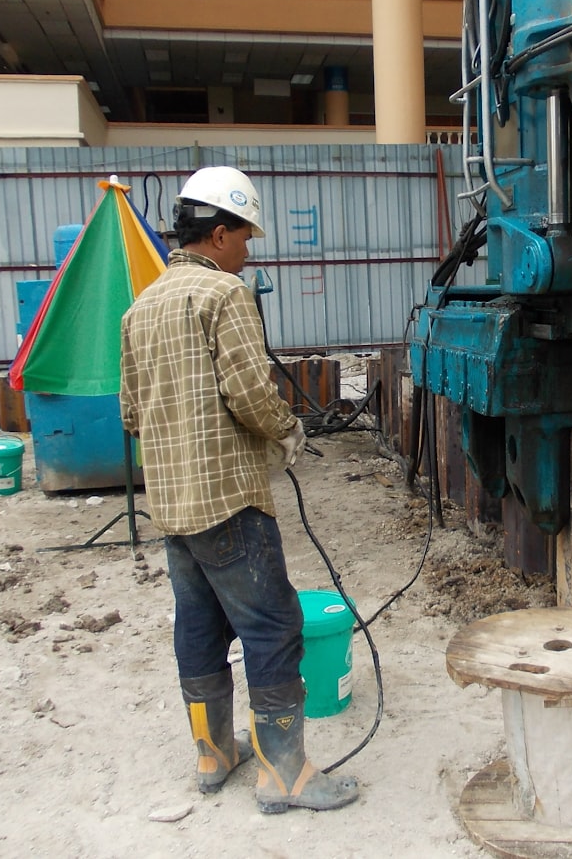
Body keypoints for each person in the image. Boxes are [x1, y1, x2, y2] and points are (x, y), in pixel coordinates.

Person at [119, 166, 359, 813]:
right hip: (228, 499)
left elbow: (132, 413)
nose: (249, 249)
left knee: (198, 623)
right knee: (272, 624)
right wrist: (286, 433)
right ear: (219, 234)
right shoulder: (223, 297)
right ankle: (284, 774)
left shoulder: (141, 306)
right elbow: (251, 393)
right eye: (245, 237)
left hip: (172, 505)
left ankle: (214, 752)